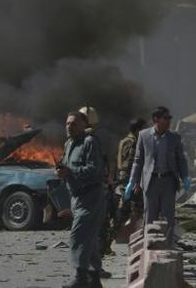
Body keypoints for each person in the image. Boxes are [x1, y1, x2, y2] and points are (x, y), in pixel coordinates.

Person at [126, 107, 189, 247]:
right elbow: (138, 160)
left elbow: (181, 159)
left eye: (169, 118)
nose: (168, 121)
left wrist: (185, 178)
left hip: (168, 181)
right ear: (156, 119)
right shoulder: (144, 135)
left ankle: (168, 244)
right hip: (151, 180)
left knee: (168, 216)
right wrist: (133, 181)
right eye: (165, 118)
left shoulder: (174, 137)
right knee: (150, 215)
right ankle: (149, 245)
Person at [58, 111, 106, 288]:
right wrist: (62, 171)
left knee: (78, 236)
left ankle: (80, 278)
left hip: (91, 196)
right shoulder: (69, 144)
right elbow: (66, 165)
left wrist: (70, 172)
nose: (69, 127)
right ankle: (94, 280)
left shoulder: (90, 142)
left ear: (84, 126)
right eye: (68, 123)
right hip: (76, 197)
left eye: (74, 124)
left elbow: (95, 171)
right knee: (90, 239)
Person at [115, 118, 147, 229]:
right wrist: (137, 182)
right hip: (129, 178)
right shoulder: (134, 142)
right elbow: (132, 163)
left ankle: (117, 231)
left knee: (124, 205)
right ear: (138, 130)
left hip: (123, 176)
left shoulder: (123, 141)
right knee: (136, 207)